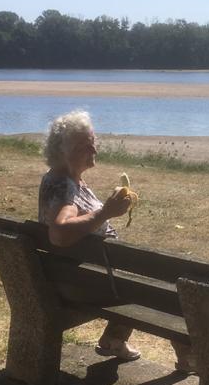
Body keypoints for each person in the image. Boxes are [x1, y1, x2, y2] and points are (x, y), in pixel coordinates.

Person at [39, 109, 141, 361]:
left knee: (141, 278)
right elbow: (59, 233)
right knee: (151, 288)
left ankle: (114, 340)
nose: (94, 150)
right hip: (80, 282)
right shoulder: (64, 186)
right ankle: (187, 354)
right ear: (64, 152)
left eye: (93, 142)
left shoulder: (62, 179)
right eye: (86, 146)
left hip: (73, 274)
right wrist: (106, 212)